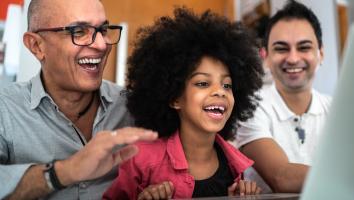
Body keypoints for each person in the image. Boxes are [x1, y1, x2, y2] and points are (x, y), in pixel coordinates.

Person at [0, 0, 158, 199]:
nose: (101, 45)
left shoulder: (134, 107)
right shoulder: (5, 110)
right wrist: (66, 171)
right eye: (79, 31)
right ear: (37, 46)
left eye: (103, 30)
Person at [103, 8, 265, 199]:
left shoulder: (235, 165)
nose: (220, 91)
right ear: (174, 97)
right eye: (203, 83)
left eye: (227, 85)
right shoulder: (141, 159)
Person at [236, 0, 331, 193]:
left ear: (320, 53)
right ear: (266, 57)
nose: (293, 58)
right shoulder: (250, 107)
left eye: (304, 47)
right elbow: (281, 176)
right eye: (281, 48)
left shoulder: (337, 109)